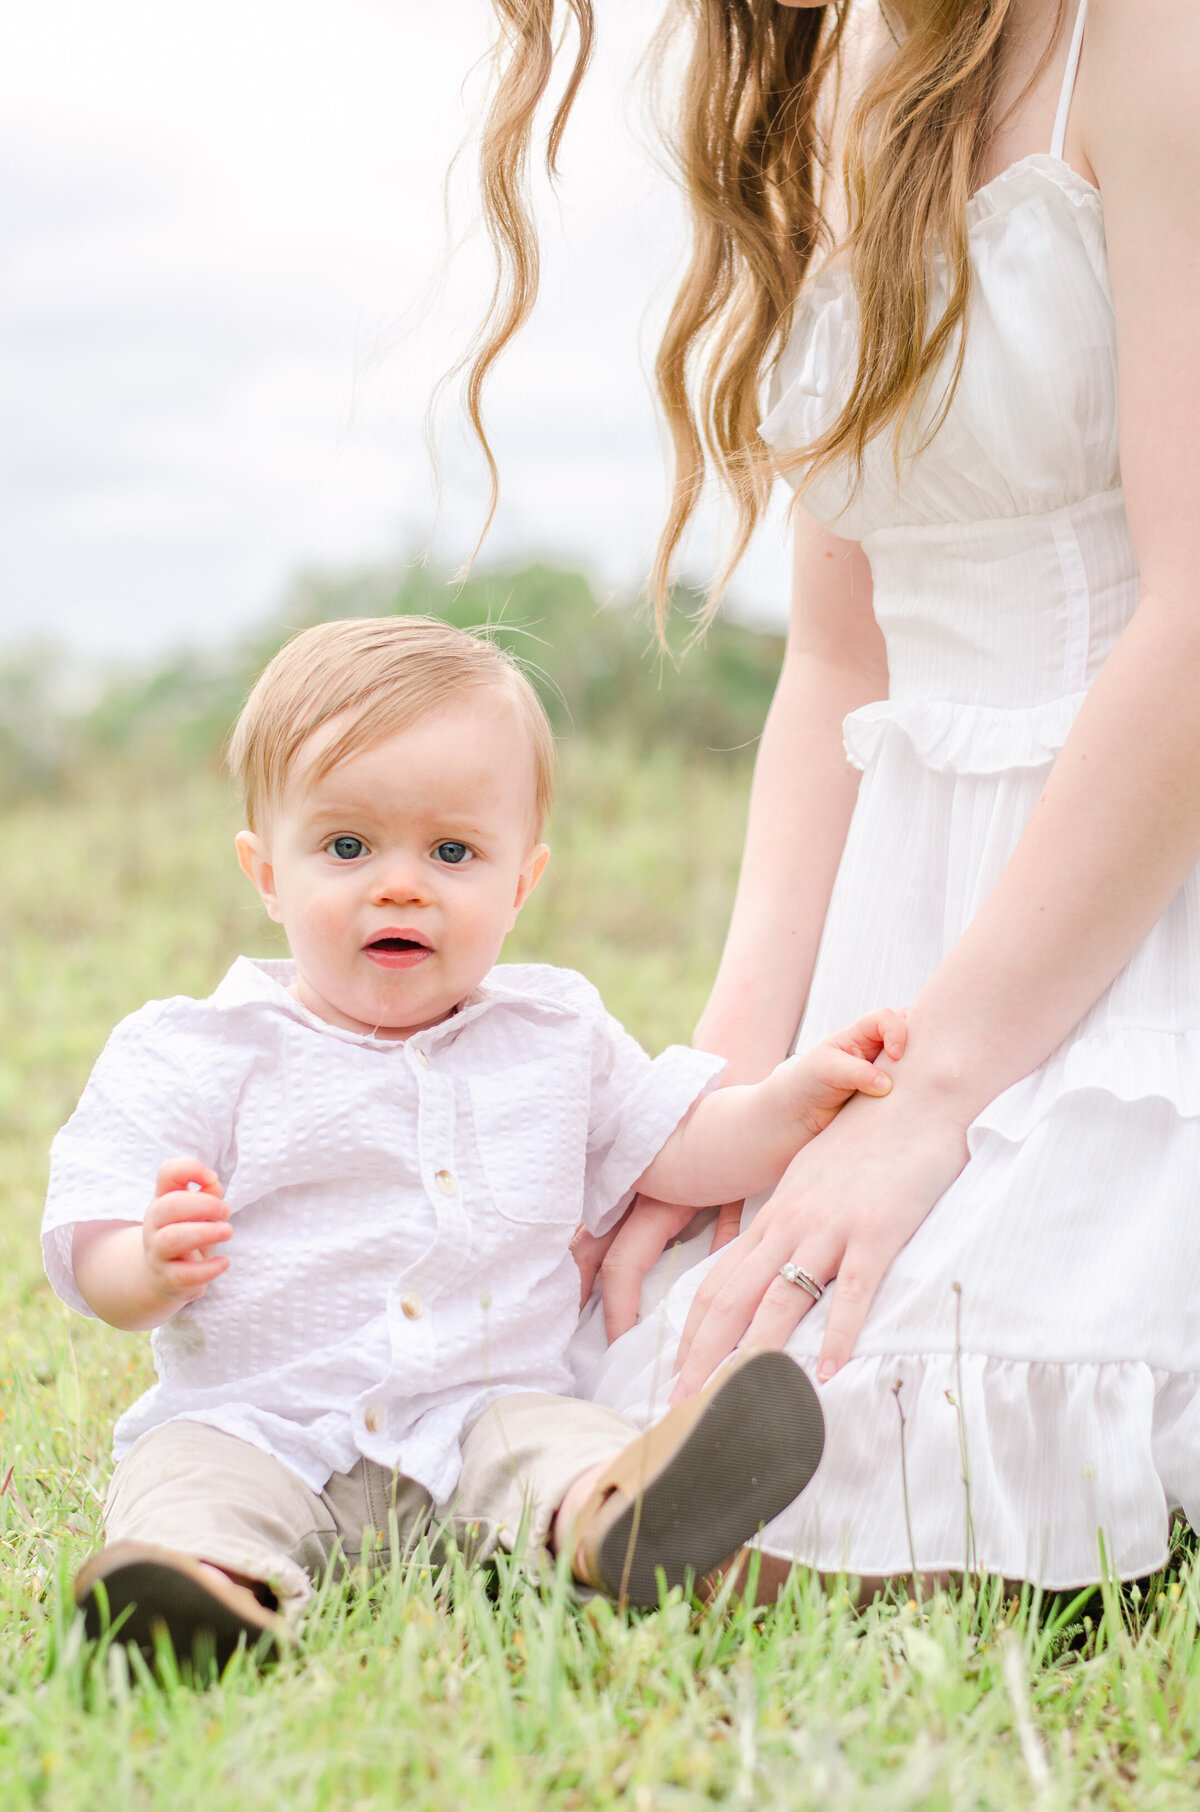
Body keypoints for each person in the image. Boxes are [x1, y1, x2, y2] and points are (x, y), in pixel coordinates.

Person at [471, 0, 1200, 1589]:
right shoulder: (825, 88)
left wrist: (941, 1094)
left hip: (1142, 912)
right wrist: (714, 1102)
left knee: (909, 1478)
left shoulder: (1149, 42)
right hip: (909, 940)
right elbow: (841, 667)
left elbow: (1197, 612)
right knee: (605, 1374)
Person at [44, 614, 906, 1660]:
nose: (400, 883)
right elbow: (88, 1238)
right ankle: (204, 1596)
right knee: (186, 1481)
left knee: (565, 1446)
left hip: (479, 1413)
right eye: (347, 846)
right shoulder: (196, 1048)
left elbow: (674, 1145)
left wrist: (788, 1104)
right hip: (261, 1421)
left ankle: (616, 1523)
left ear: (520, 883)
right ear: (266, 872)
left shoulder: (555, 1033)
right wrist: (144, 1263)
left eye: (453, 851)